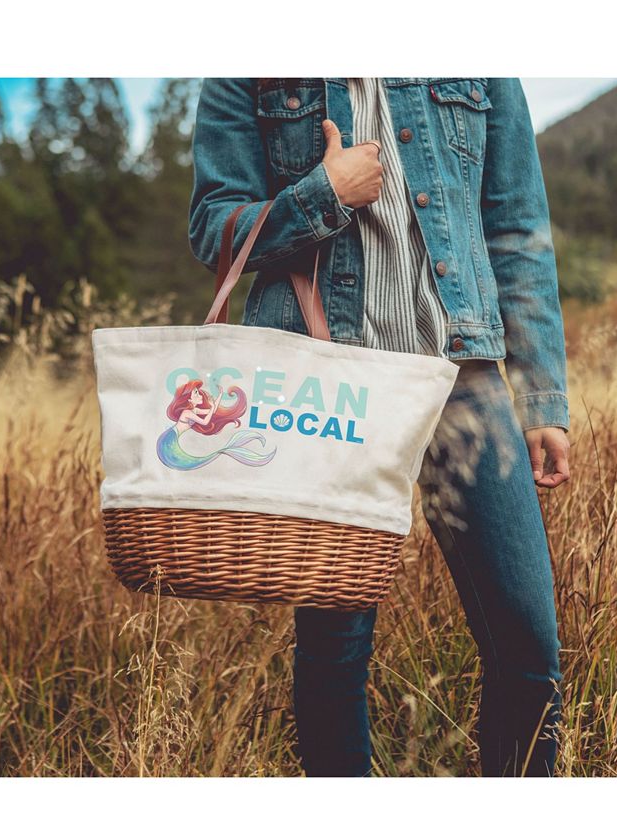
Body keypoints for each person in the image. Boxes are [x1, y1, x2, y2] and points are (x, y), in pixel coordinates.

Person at [189, 77, 571, 777]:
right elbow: (213, 225)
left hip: (465, 379)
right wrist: (321, 194)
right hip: (326, 387)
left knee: (528, 646)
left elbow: (515, 227)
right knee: (335, 649)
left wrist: (542, 395)